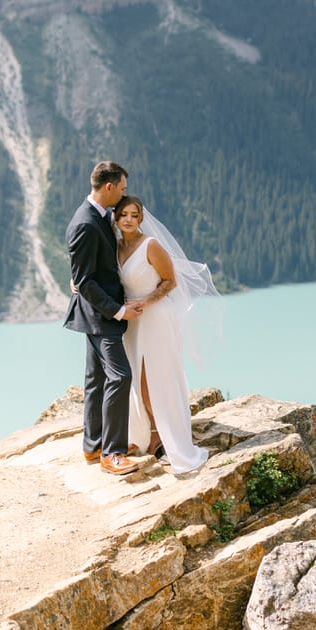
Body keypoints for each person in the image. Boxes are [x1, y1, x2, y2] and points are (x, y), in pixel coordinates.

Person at [111, 195, 213, 474]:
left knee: (156, 379)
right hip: (132, 323)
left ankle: (170, 441)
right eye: (124, 215)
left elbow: (171, 281)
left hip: (155, 317)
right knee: (135, 376)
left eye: (134, 214)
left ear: (141, 218)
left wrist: (147, 301)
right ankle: (150, 435)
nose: (129, 219)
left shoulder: (150, 246)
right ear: (116, 219)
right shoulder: (116, 246)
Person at [64, 161, 141, 477]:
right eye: (122, 188)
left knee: (96, 381)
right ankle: (113, 454)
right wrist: (119, 310)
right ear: (108, 187)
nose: (124, 194)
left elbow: (84, 273)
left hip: (95, 314)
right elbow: (84, 281)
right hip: (100, 316)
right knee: (120, 376)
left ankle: (93, 446)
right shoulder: (85, 223)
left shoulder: (98, 217)